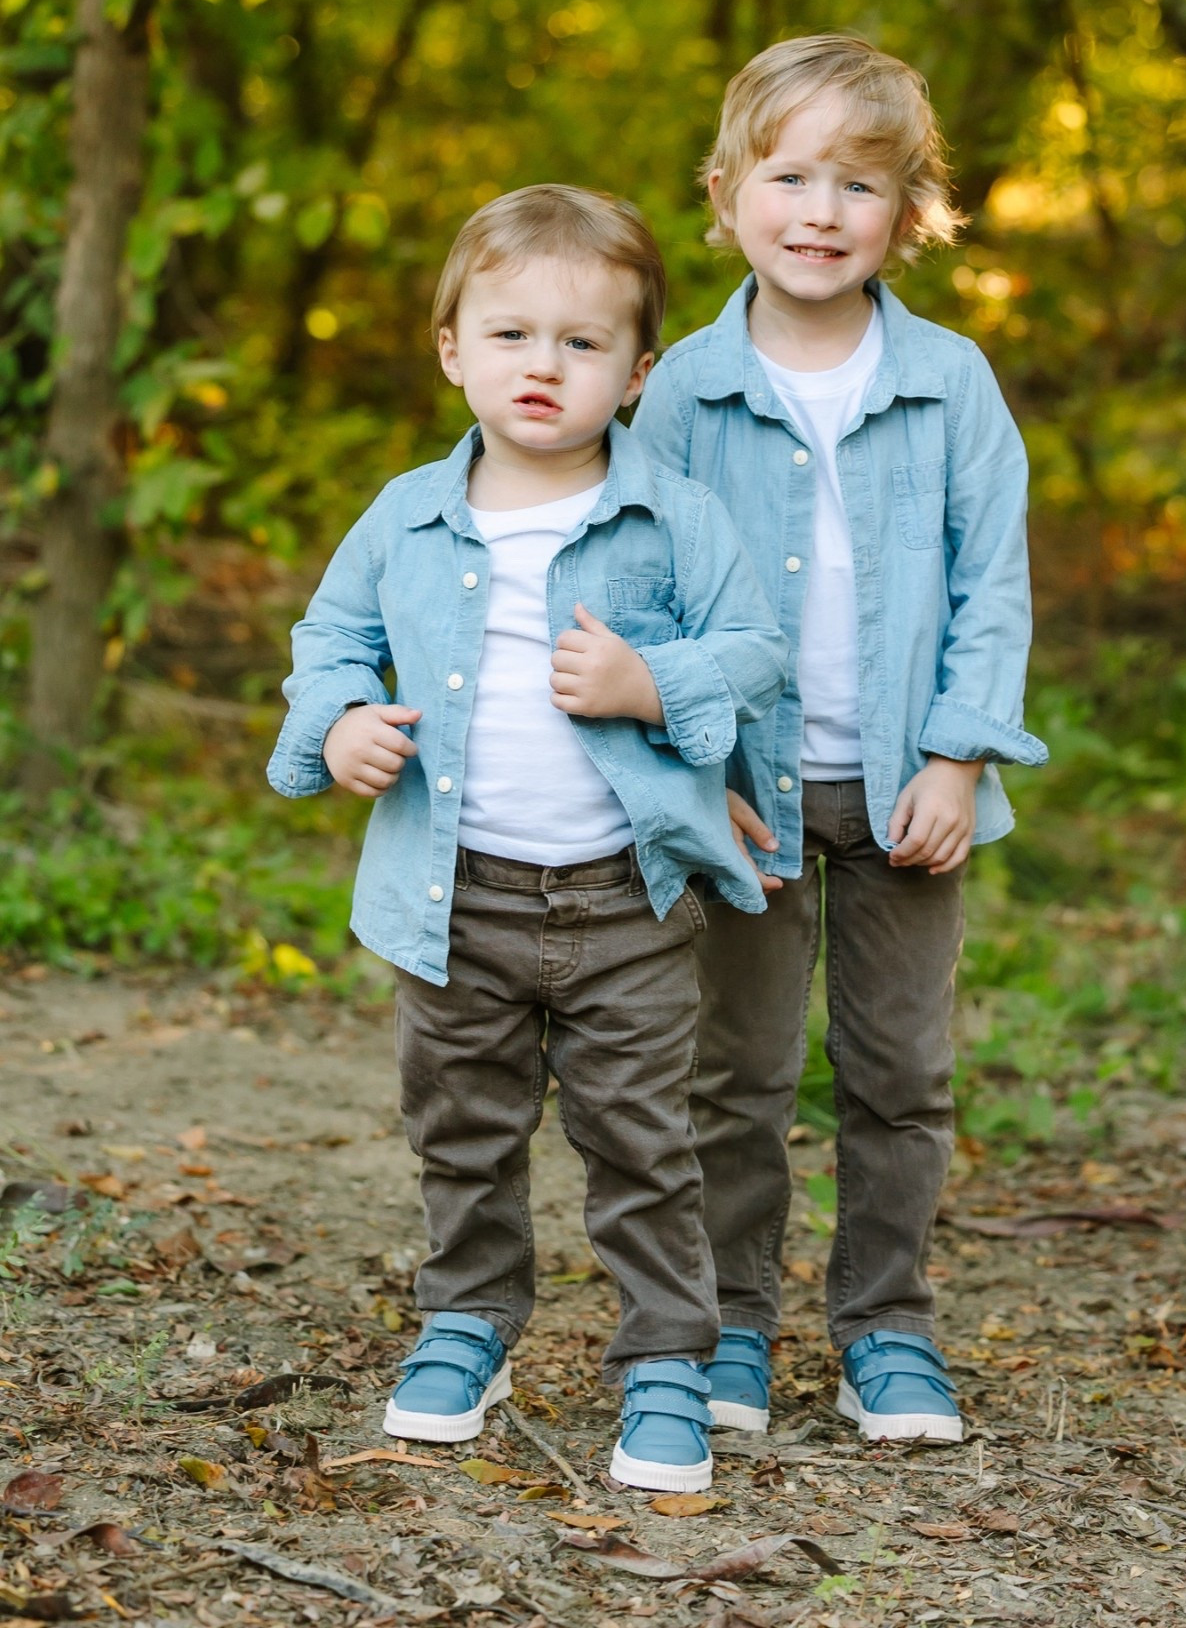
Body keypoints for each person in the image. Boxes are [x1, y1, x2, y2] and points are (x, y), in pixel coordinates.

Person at [267, 185, 786, 1492]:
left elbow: (753, 648)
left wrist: (648, 684)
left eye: (580, 342)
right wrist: (334, 727)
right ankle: (469, 1318)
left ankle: (668, 1354)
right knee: (463, 1123)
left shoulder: (671, 518)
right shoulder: (403, 515)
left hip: (626, 902)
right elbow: (327, 638)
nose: (541, 367)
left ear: (637, 371)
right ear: (450, 346)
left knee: (639, 1139)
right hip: (456, 899)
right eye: (509, 336)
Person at [632, 34, 1047, 1444]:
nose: (819, 209)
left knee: (899, 1074)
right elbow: (645, 596)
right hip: (738, 795)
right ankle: (731, 1324)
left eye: (856, 184)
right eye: (788, 174)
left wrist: (958, 754)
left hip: (905, 790)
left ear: (907, 211)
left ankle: (886, 1326)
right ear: (728, 190)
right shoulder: (679, 390)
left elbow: (992, 582)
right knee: (731, 1074)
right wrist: (693, 774)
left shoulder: (951, 382)